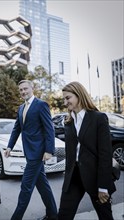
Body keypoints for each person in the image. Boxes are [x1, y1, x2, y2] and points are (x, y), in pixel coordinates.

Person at [58, 81, 116, 220]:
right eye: (64, 99)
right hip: (73, 176)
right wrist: (67, 174)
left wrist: (103, 186)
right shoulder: (69, 121)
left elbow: (105, 154)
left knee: (105, 216)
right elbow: (70, 152)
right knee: (64, 215)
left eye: (68, 98)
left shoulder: (98, 118)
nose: (65, 102)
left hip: (95, 177)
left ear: (79, 95)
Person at [4, 80, 57, 220]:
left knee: (26, 187)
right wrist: (9, 146)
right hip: (29, 152)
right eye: (20, 90)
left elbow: (49, 129)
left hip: (38, 153)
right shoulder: (21, 108)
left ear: (32, 88)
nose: (23, 92)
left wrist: (49, 150)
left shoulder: (41, 105)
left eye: (25, 89)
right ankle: (53, 214)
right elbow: (17, 129)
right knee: (43, 186)